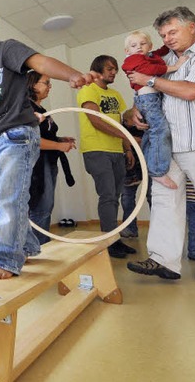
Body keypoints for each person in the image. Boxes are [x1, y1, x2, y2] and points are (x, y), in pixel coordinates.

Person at [0, 1, 96, 280]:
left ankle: (6, 259)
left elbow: (40, 62)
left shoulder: (6, 50)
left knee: (10, 198)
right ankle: (27, 245)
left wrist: (72, 75)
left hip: (18, 135)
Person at [126, 6, 195, 282]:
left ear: (191, 27)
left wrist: (151, 79)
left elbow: (190, 91)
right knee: (164, 201)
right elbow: (145, 96)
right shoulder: (160, 62)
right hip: (168, 146)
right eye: (163, 34)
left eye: (172, 31)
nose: (167, 38)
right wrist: (133, 114)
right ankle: (164, 260)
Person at [76, 55, 137, 259]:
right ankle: (109, 242)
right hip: (96, 149)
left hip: (116, 151)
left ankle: (114, 239)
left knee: (115, 196)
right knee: (108, 195)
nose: (114, 72)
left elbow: (120, 122)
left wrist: (127, 148)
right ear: (98, 69)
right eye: (110, 68)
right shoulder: (87, 89)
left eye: (115, 69)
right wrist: (125, 136)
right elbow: (96, 120)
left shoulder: (116, 94)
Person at [122, 31, 189, 190]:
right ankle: (158, 171)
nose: (138, 47)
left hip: (150, 98)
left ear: (149, 46)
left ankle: (148, 162)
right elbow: (150, 69)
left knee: (151, 132)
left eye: (143, 44)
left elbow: (159, 52)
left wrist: (168, 46)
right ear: (127, 51)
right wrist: (176, 66)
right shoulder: (132, 60)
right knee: (160, 130)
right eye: (133, 45)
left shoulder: (148, 55)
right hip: (147, 99)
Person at [26, 70, 76, 245]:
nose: (49, 86)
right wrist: (58, 146)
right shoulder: (27, 109)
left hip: (48, 162)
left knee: (45, 207)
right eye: (46, 83)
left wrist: (60, 139)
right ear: (32, 84)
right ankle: (38, 249)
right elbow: (30, 139)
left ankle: (41, 246)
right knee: (40, 208)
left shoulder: (42, 110)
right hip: (36, 165)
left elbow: (44, 135)